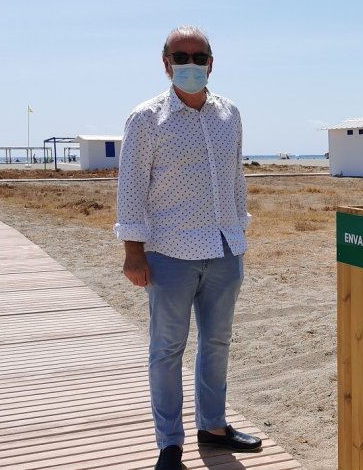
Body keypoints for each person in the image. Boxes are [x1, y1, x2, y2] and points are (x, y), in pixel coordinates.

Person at [114, 25, 260, 470]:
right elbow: (132, 188)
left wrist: (239, 236)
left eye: (199, 57)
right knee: (167, 348)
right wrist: (133, 253)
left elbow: (236, 180)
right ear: (166, 63)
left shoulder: (229, 114)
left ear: (212, 63)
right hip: (168, 252)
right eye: (182, 57)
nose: (191, 65)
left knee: (217, 341)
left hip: (223, 249)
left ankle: (213, 428)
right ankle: (170, 444)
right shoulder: (146, 119)